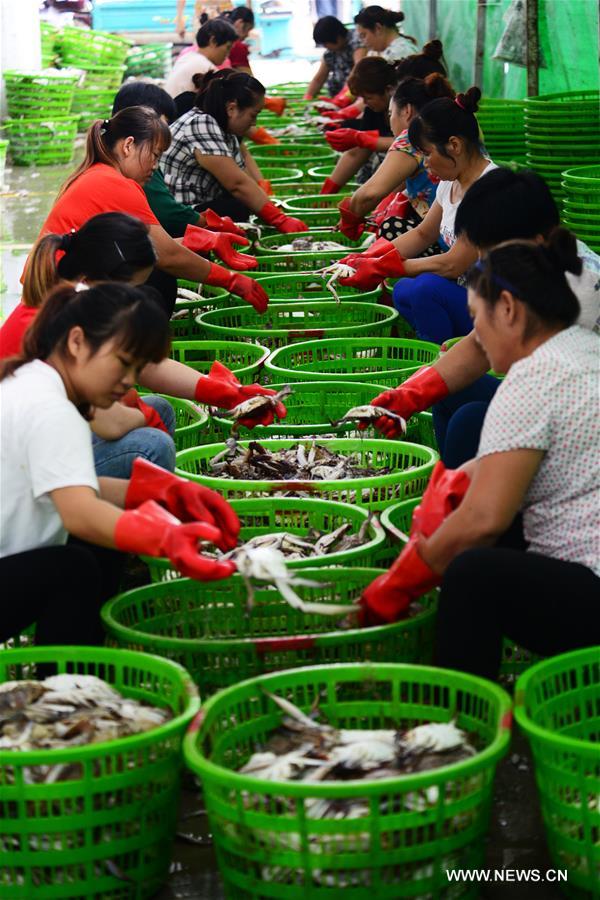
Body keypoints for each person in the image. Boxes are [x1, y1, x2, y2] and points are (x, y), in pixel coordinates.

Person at [357, 232, 600, 679]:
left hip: (591, 587)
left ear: (508, 308)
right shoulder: (585, 349)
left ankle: (462, 719)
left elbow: (484, 520)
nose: (475, 340)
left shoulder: (533, 379)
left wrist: (401, 581)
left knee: (471, 572)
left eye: (476, 320)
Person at [0, 282, 241, 647]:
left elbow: (65, 489)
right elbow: (79, 514)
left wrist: (163, 493)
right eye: (124, 363)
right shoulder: (51, 408)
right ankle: (67, 689)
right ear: (77, 341)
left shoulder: (32, 380)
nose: (129, 381)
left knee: (90, 545)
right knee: (73, 569)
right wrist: (166, 538)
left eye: (138, 367)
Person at [365, 168, 600, 466]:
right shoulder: (527, 274)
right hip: (549, 401)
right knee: (449, 394)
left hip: (580, 424)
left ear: (536, 239)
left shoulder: (579, 291)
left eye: (493, 253)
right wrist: (411, 395)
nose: (488, 264)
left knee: (471, 421)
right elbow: (479, 345)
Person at [28, 106, 267, 316]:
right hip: (58, 301)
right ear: (129, 145)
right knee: (156, 282)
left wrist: (205, 240)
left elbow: (150, 244)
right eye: (154, 155)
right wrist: (231, 279)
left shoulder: (98, 173)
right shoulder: (115, 184)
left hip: (51, 292)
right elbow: (168, 256)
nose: (155, 166)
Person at [1, 212, 178, 477]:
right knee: (153, 444)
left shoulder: (66, 300)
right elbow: (109, 424)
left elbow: (148, 369)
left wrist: (218, 390)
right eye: (127, 289)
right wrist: (146, 417)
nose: (127, 300)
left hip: (46, 443)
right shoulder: (60, 322)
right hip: (22, 466)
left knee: (159, 408)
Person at [338, 87, 497, 344]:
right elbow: (423, 234)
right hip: (469, 293)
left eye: (427, 153)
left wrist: (384, 267)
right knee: (403, 291)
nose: (424, 164)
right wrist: (368, 257)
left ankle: (441, 363)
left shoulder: (488, 189)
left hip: (501, 305)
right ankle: (443, 350)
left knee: (424, 289)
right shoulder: (451, 183)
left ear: (454, 145)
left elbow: (454, 264)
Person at [162, 70, 308, 231]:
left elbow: (244, 177)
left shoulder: (226, 131)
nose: (254, 123)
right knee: (237, 207)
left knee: (243, 204)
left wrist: (269, 205)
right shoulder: (200, 123)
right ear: (232, 108)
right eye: (253, 115)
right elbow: (237, 184)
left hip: (198, 209)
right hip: (180, 216)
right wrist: (279, 219)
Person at [336, 72, 455, 242]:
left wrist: (349, 219)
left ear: (407, 111)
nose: (390, 121)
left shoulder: (413, 138)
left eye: (391, 113)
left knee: (390, 228)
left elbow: (368, 195)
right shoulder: (453, 126)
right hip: (461, 233)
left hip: (447, 241)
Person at [319, 57, 397, 193]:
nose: (366, 103)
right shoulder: (375, 110)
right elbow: (356, 154)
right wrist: (328, 190)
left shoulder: (406, 109)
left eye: (369, 98)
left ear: (388, 90)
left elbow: (412, 145)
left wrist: (364, 139)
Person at [165, 18, 236, 98]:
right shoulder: (206, 68)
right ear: (213, 41)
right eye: (228, 47)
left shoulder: (188, 57)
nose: (228, 54)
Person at [304, 16, 366, 101]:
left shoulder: (357, 41)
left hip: (355, 98)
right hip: (338, 97)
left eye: (326, 43)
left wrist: (341, 98)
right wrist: (308, 97)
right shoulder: (330, 52)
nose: (325, 47)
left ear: (338, 37)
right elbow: (319, 79)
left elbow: (358, 71)